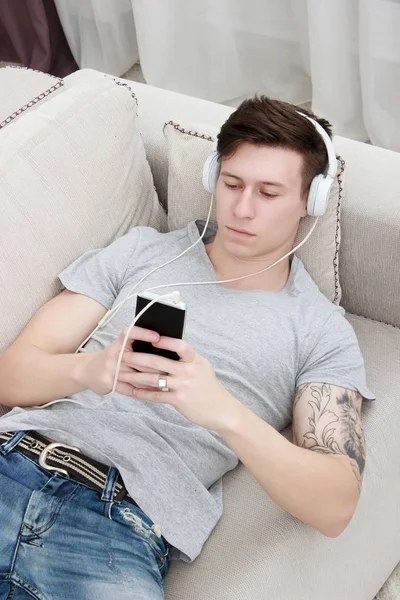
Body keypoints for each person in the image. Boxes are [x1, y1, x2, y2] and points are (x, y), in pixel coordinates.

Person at [0, 95, 375, 600]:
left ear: (310, 202)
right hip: (16, 460)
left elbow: (335, 505)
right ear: (211, 178)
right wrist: (92, 370)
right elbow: (10, 376)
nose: (242, 209)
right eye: (232, 183)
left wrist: (222, 411)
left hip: (116, 530)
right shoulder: (143, 251)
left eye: (269, 192)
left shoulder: (320, 330)